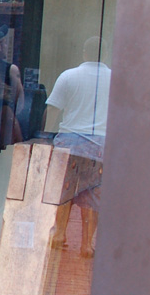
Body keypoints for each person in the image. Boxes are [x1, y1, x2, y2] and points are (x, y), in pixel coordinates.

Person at [45, 35, 111, 257]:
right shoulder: (115, 79)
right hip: (100, 144)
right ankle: (86, 244)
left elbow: (53, 109)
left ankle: (60, 233)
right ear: (105, 55)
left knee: (65, 191)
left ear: (84, 53)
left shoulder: (68, 76)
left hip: (70, 141)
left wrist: (46, 135)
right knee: (93, 195)